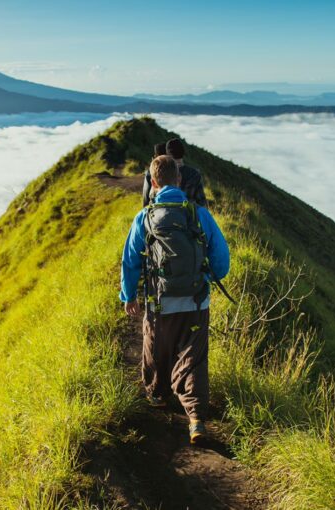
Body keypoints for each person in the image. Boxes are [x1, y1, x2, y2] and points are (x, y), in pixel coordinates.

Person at [121, 155, 230, 445]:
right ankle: (195, 420)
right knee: (193, 357)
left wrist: (129, 295)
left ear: (153, 183)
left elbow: (130, 261)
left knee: (157, 345)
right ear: (179, 181)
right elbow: (221, 257)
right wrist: (211, 276)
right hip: (196, 302)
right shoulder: (198, 214)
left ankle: (157, 394)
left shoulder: (144, 217)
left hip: (160, 303)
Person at [141, 138, 207, 208]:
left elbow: (146, 199)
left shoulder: (157, 172)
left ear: (167, 155)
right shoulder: (195, 174)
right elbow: (202, 203)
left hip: (158, 214)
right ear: (183, 153)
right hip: (187, 217)